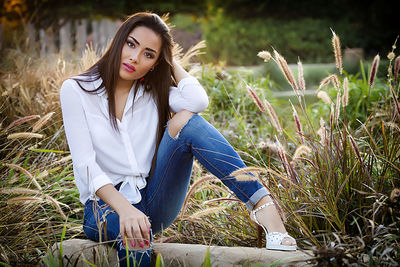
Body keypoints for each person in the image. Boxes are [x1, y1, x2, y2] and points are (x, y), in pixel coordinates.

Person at [59, 12, 296, 267]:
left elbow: (198, 101)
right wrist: (125, 209)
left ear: (156, 63)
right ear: (119, 40)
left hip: (153, 198)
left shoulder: (151, 91)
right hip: (103, 209)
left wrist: (169, 59)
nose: (135, 58)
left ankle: (263, 205)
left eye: (149, 54)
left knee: (187, 122)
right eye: (131, 44)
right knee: (135, 234)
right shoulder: (77, 90)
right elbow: (85, 164)